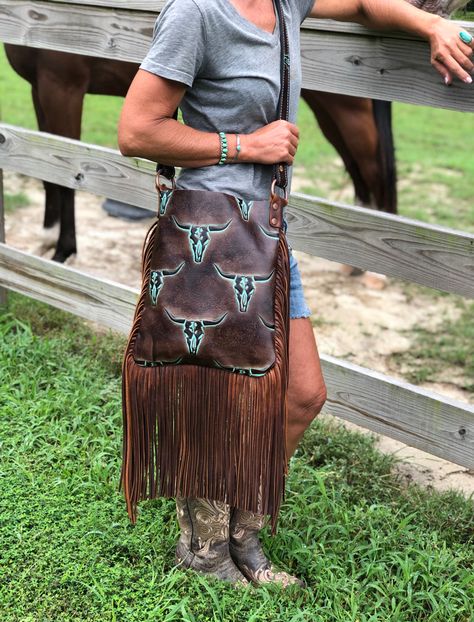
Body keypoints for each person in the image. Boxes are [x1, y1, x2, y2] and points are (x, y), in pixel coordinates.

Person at [118, 0, 473, 587]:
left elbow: (361, 1)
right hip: (211, 233)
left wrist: (431, 23)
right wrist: (244, 146)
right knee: (224, 398)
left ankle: (238, 533)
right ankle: (204, 551)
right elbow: (136, 130)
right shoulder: (196, 14)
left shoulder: (287, 3)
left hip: (267, 234)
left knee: (302, 395)